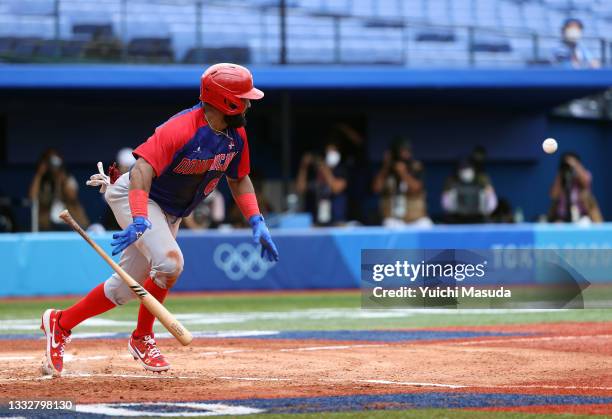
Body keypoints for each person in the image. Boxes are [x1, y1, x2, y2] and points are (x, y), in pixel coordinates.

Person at [40, 63, 279, 376]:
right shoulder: (182, 128)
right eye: (243, 98)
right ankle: (142, 337)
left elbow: (239, 178)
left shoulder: (236, 136)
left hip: (170, 210)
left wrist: (256, 220)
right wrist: (139, 217)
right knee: (169, 263)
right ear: (225, 101)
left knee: (126, 288)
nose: (248, 104)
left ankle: (60, 323)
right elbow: (141, 171)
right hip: (139, 196)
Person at [372, 138, 431, 227]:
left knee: (427, 225)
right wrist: (386, 167)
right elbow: (376, 188)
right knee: (389, 224)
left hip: (416, 219)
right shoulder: (386, 169)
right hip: (394, 220)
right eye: (402, 151)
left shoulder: (415, 166)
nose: (405, 154)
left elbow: (416, 188)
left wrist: (403, 173)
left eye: (407, 151)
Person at [29, 149, 89, 231]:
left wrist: (61, 179)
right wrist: (39, 174)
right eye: (50, 160)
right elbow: (32, 197)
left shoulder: (67, 177)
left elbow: (73, 196)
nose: (53, 164)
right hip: (47, 225)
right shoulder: (43, 181)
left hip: (71, 223)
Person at [296, 141, 348, 226]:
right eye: (328, 152)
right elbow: (300, 188)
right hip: (315, 223)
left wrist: (324, 168)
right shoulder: (314, 173)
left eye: (333, 151)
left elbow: (336, 188)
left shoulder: (341, 170)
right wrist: (304, 167)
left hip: (337, 222)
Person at [549, 152, 602, 223]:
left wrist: (575, 165)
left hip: (582, 217)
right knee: (557, 226)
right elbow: (554, 195)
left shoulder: (583, 174)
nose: (569, 166)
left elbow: (586, 182)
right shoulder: (560, 178)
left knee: (585, 223)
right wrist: (561, 172)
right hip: (562, 218)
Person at [441, 159, 498, 224]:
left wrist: (486, 208)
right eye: (463, 169)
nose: (466, 172)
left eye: (468, 169)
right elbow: (446, 205)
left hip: (479, 218)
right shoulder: (452, 182)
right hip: (457, 218)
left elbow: (491, 204)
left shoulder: (481, 180)